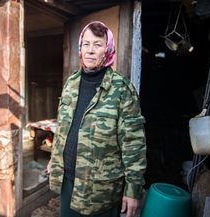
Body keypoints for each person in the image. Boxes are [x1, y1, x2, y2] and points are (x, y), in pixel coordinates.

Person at [47, 21, 146, 217]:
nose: (90, 50)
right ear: (80, 49)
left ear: (107, 49)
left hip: (100, 189)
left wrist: (133, 189)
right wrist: (54, 158)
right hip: (67, 179)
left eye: (97, 44)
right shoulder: (71, 83)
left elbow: (133, 143)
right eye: (86, 44)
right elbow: (63, 128)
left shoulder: (121, 89)